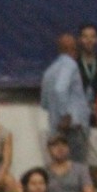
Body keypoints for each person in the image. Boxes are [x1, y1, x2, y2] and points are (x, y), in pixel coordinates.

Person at [40, 34, 92, 164]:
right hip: (72, 128)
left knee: (59, 169)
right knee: (77, 170)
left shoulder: (49, 71)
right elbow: (60, 88)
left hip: (55, 129)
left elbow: (44, 103)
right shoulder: (70, 65)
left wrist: (57, 113)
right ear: (74, 49)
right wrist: (65, 115)